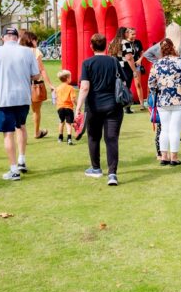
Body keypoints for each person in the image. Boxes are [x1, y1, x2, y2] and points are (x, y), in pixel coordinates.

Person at [0, 26, 40, 181]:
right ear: (16, 37)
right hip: (22, 97)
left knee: (8, 133)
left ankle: (14, 169)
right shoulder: (27, 51)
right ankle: (21, 159)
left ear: (3, 37)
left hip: (4, 98)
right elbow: (36, 75)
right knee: (21, 127)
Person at [75, 33, 125, 185]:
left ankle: (96, 168)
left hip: (94, 107)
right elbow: (123, 81)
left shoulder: (87, 63)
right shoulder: (114, 61)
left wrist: (78, 107)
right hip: (114, 106)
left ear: (91, 46)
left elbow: (84, 87)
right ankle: (112, 174)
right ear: (106, 45)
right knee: (111, 139)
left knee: (93, 137)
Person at [149, 38, 181, 166]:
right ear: (173, 47)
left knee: (164, 129)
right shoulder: (180, 62)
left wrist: (158, 92)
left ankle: (164, 157)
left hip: (162, 100)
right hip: (180, 99)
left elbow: (151, 83)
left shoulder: (157, 64)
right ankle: (174, 158)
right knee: (175, 129)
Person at [21, 30, 54, 138]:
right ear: (31, 40)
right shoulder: (35, 51)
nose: (37, 42)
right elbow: (42, 70)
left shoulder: (19, 51)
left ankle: (21, 136)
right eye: (35, 40)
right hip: (34, 84)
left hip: (20, 83)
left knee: (21, 112)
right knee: (36, 110)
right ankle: (36, 132)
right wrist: (50, 84)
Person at [110, 27, 136, 115]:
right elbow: (129, 58)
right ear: (124, 33)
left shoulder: (112, 42)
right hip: (125, 68)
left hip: (115, 67)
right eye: (127, 32)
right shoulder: (126, 43)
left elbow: (110, 55)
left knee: (117, 87)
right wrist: (134, 70)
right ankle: (126, 107)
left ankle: (116, 106)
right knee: (126, 87)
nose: (129, 33)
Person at [123, 27, 145, 109]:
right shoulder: (124, 43)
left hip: (137, 66)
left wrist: (140, 60)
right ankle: (126, 105)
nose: (134, 36)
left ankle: (142, 104)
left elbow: (142, 52)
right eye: (132, 34)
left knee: (138, 84)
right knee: (126, 86)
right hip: (127, 67)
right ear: (128, 34)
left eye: (135, 34)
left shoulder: (138, 42)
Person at [55, 69, 77, 145]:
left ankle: (60, 137)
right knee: (68, 123)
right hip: (68, 108)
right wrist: (77, 105)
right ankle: (69, 139)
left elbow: (56, 98)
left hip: (60, 108)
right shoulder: (71, 88)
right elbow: (73, 99)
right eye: (70, 77)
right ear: (67, 78)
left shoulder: (57, 88)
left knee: (61, 122)